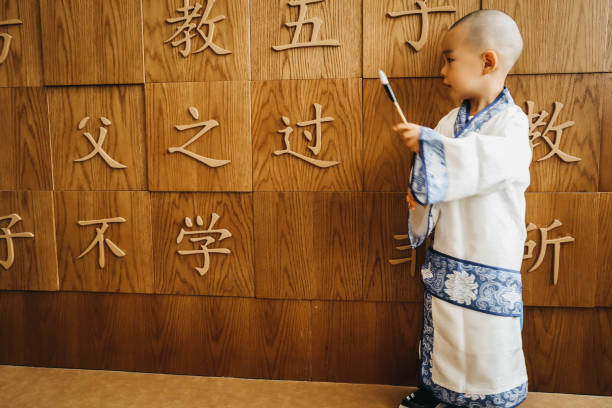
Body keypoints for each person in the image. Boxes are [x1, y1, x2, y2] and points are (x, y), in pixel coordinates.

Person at [391, 9, 531, 408]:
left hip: (491, 251)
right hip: (450, 245)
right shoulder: (449, 122)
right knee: (447, 324)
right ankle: (439, 389)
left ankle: (491, 397)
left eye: (450, 59)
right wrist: (422, 196)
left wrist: (432, 146)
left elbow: (493, 161)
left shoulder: (512, 123)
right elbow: (437, 175)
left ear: (487, 62)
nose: (442, 71)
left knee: (488, 331)